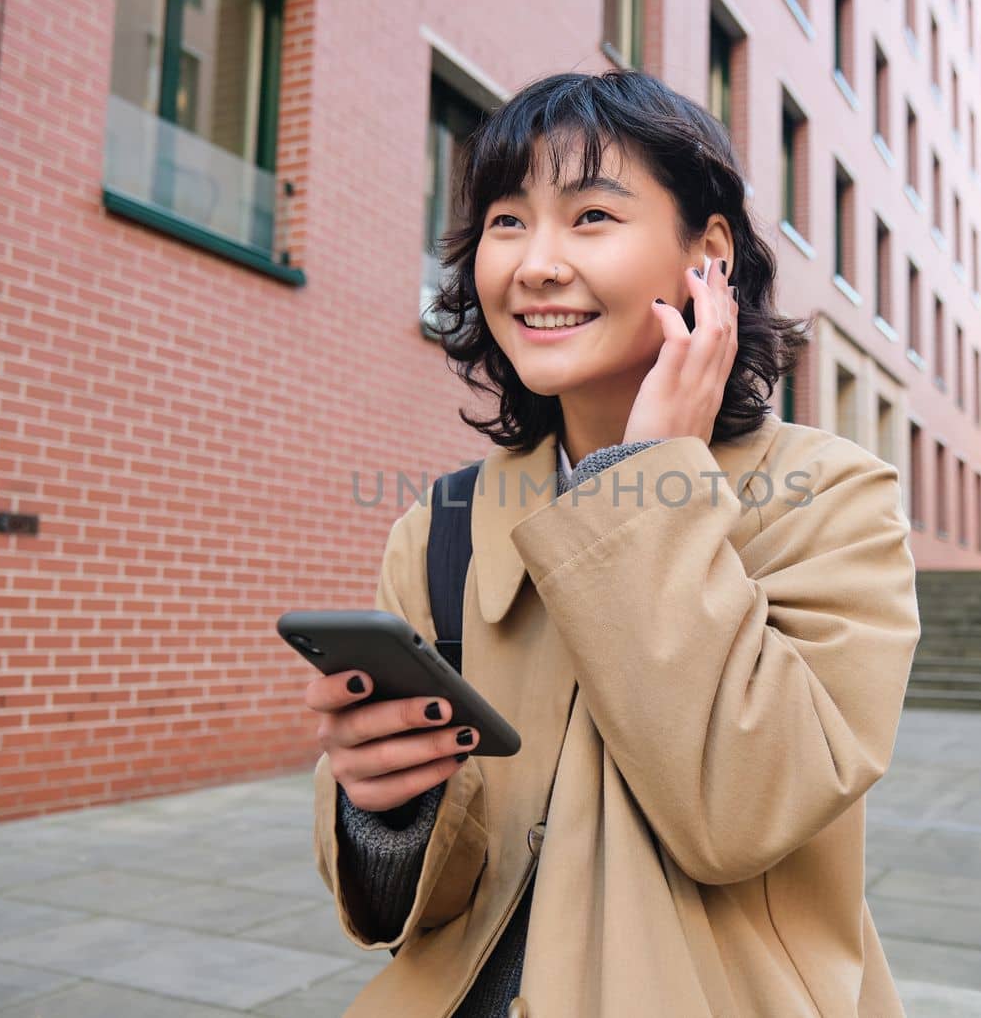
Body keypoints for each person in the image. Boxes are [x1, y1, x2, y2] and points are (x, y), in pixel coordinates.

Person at [303, 69, 921, 1017]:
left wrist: (644, 479)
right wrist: (381, 808)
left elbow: (740, 811)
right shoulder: (443, 526)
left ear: (706, 256)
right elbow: (402, 912)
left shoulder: (830, 498)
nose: (537, 263)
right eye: (507, 221)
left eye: (591, 215)